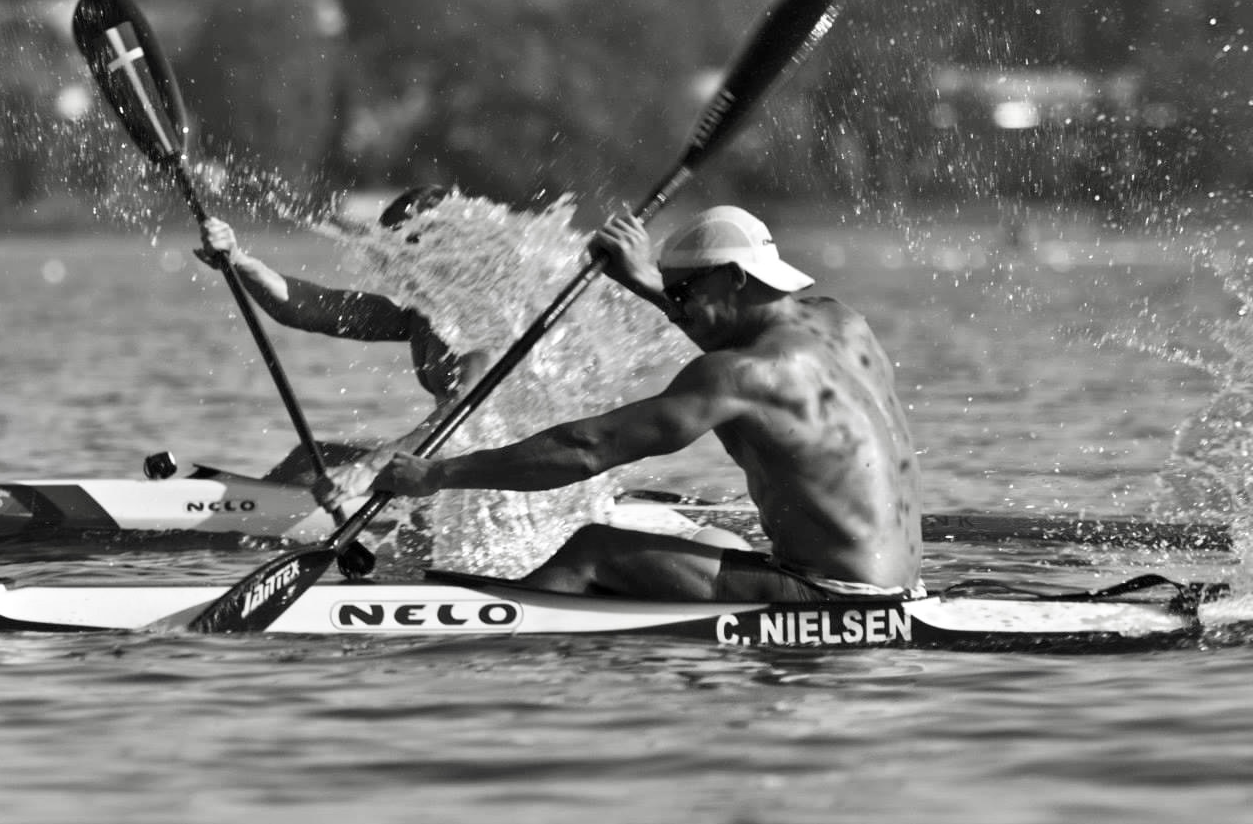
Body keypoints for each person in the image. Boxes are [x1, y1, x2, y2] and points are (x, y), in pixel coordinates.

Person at [365, 205, 923, 601]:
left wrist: (437, 473)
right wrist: (647, 283)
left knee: (592, 549)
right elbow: (740, 336)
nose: (674, 307)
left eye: (682, 292)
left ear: (732, 279)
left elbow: (589, 449)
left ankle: (503, 661)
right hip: (899, 588)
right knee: (698, 536)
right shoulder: (843, 323)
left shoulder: (739, 374)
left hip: (830, 597)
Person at [195, 186, 493, 482]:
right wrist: (238, 260)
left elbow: (461, 410)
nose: (394, 265)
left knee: (308, 471)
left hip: (481, 481)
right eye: (390, 248)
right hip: (445, 468)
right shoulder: (424, 314)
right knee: (308, 459)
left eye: (405, 247)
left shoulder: (477, 321)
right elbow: (308, 307)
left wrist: (368, 469)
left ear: (444, 247)